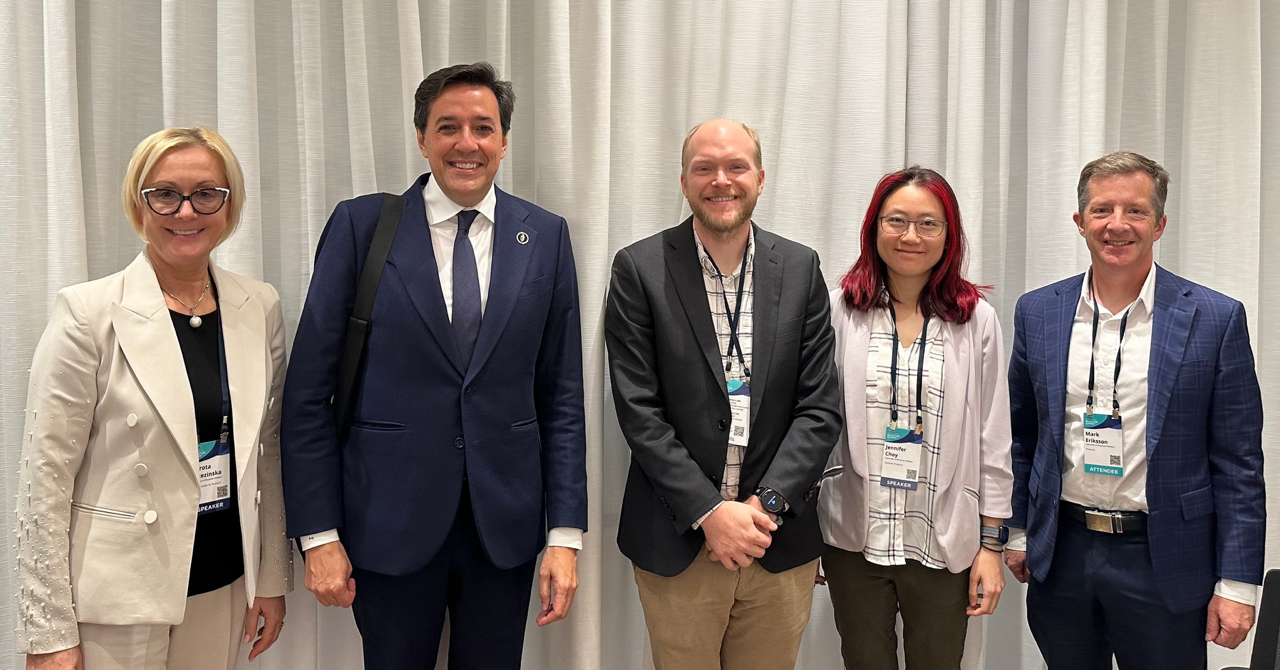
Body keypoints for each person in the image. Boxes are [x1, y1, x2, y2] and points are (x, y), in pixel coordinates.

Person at [281, 61, 587, 668]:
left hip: (504, 526)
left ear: (504, 141)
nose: (466, 143)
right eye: (448, 127)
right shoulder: (362, 227)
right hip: (386, 519)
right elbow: (309, 393)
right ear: (422, 138)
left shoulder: (545, 236)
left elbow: (562, 397)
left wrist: (565, 536)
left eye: (483, 127)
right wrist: (318, 535)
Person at [15, 127, 292, 670]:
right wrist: (48, 632)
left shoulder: (258, 305)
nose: (186, 211)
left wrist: (272, 577)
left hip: (222, 581)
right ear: (139, 205)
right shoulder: (88, 312)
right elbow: (44, 478)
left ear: (228, 204)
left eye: (206, 193)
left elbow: (268, 452)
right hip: (117, 595)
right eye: (164, 193)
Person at [1004, 151, 1265, 669]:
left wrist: (1238, 584)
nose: (1117, 225)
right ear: (1079, 222)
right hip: (1064, 554)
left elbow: (1239, 464)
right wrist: (1016, 531)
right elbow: (1021, 436)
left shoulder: (1214, 319)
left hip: (1164, 559)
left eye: (1135, 211)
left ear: (1160, 224)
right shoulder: (1038, 312)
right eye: (1102, 210)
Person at [605, 118, 842, 670]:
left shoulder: (801, 267)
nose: (721, 180)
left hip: (775, 542)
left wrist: (764, 509)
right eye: (704, 168)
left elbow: (819, 408)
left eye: (736, 166)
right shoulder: (640, 269)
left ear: (760, 177)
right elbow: (639, 411)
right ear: (683, 182)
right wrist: (710, 512)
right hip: (679, 541)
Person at [817, 166, 1012, 669]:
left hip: (942, 538)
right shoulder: (840, 309)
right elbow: (813, 420)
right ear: (873, 227)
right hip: (855, 536)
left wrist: (991, 546)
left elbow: (994, 437)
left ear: (949, 234)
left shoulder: (976, 318)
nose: (910, 236)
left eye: (929, 223)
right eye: (896, 220)